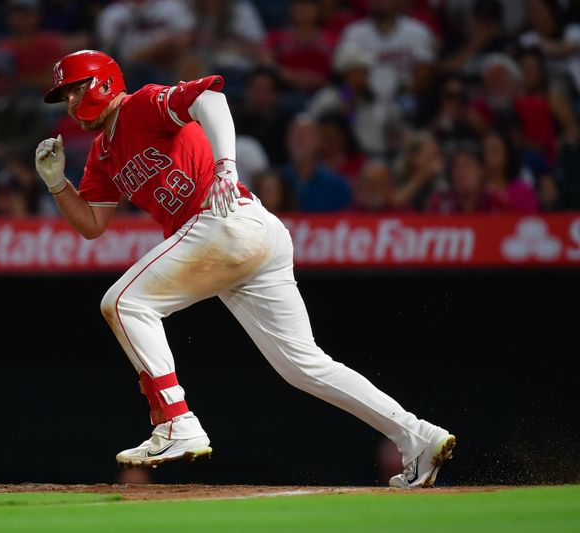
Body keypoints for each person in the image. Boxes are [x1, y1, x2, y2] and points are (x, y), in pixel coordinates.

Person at [34, 49, 456, 488]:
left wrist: (226, 166)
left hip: (223, 218)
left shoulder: (142, 103)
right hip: (247, 237)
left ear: (102, 82)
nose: (69, 102)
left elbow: (211, 97)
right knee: (304, 365)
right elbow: (92, 225)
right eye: (64, 95)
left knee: (123, 304)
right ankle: (419, 437)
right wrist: (55, 183)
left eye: (74, 89)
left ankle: (178, 422)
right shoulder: (102, 155)